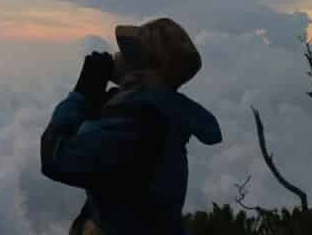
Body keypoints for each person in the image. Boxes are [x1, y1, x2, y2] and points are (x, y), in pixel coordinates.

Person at [40, 18, 222, 235]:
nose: (119, 55)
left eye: (128, 51)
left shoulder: (138, 122)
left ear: (143, 68)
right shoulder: (163, 114)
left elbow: (55, 157)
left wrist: (82, 93)